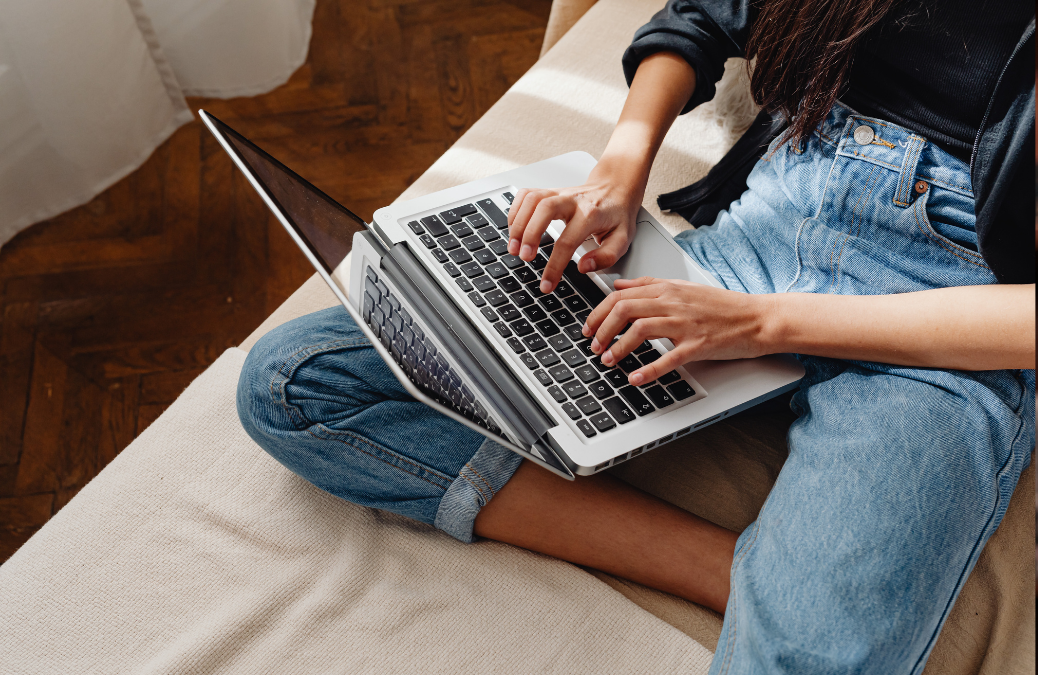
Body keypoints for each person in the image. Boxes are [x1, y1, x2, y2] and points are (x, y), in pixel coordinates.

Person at [237, 0, 1036, 671]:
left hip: (954, 311)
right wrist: (617, 172)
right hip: (772, 218)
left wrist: (760, 323)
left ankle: (790, 600)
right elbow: (703, 15)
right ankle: (734, 575)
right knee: (297, 381)